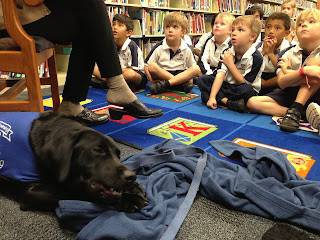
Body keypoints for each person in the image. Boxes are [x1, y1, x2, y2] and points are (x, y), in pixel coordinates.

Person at [0, 0, 163, 126]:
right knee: (89, 18)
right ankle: (112, 87)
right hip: (10, 20)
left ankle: (75, 102)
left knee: (89, 18)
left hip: (28, 15)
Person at [247, 9, 320, 133]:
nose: (304, 25)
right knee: (252, 102)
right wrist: (304, 71)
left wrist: (290, 71)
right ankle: (300, 114)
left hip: (317, 93)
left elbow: (315, 74)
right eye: (300, 23)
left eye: (311, 21)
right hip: (290, 90)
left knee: (314, 64)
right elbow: (282, 82)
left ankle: (296, 108)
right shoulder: (288, 52)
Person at [205, 15, 264, 113]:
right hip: (227, 86)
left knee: (247, 90)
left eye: (240, 30)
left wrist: (230, 65)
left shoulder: (256, 57)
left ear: (252, 37)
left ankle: (222, 99)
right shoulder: (227, 51)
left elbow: (244, 82)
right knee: (204, 80)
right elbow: (220, 75)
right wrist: (212, 97)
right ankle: (228, 102)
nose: (234, 33)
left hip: (242, 88)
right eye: (233, 30)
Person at [144, 12, 201, 95]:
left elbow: (191, 67)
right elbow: (146, 65)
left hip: (179, 73)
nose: (170, 30)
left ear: (183, 33)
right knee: (152, 66)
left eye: (175, 27)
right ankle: (180, 85)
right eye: (167, 27)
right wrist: (151, 79)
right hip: (163, 74)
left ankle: (166, 85)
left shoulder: (186, 48)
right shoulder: (159, 46)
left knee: (196, 68)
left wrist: (190, 80)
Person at [90, 14, 148, 92]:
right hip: (115, 74)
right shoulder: (109, 44)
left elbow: (134, 70)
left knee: (130, 74)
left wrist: (113, 70)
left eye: (120, 25)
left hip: (136, 75)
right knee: (92, 65)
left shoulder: (132, 46)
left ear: (128, 33)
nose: (115, 27)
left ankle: (105, 84)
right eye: (113, 24)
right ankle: (114, 83)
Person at [197, 12, 234, 103]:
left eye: (222, 24)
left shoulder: (231, 45)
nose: (217, 26)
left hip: (224, 76)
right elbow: (202, 60)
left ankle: (213, 96)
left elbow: (223, 65)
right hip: (211, 73)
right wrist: (209, 73)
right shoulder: (209, 41)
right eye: (215, 23)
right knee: (201, 80)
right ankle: (223, 100)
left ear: (229, 30)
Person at [258, 12, 291, 95]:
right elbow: (251, 66)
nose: (271, 31)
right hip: (259, 78)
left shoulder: (289, 49)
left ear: (286, 33)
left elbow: (284, 73)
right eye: (268, 27)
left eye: (277, 28)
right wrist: (264, 51)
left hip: (278, 80)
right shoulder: (258, 45)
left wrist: (270, 53)